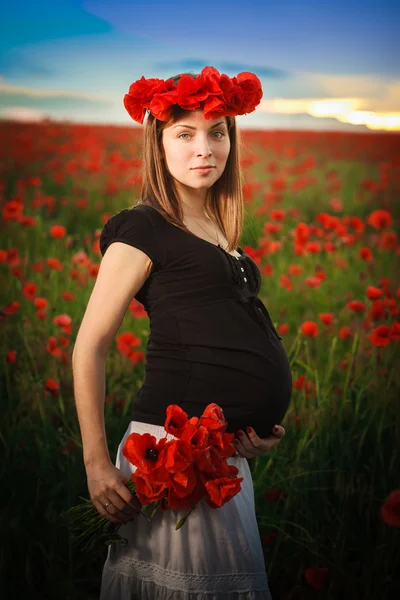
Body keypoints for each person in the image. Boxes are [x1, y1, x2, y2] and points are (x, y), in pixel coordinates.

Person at [72, 66, 292, 599]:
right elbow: (90, 347)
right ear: (158, 143)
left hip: (220, 456)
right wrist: (98, 465)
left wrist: (254, 427)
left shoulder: (218, 228)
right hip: (170, 455)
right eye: (185, 134)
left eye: (217, 132)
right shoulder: (143, 227)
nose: (205, 148)